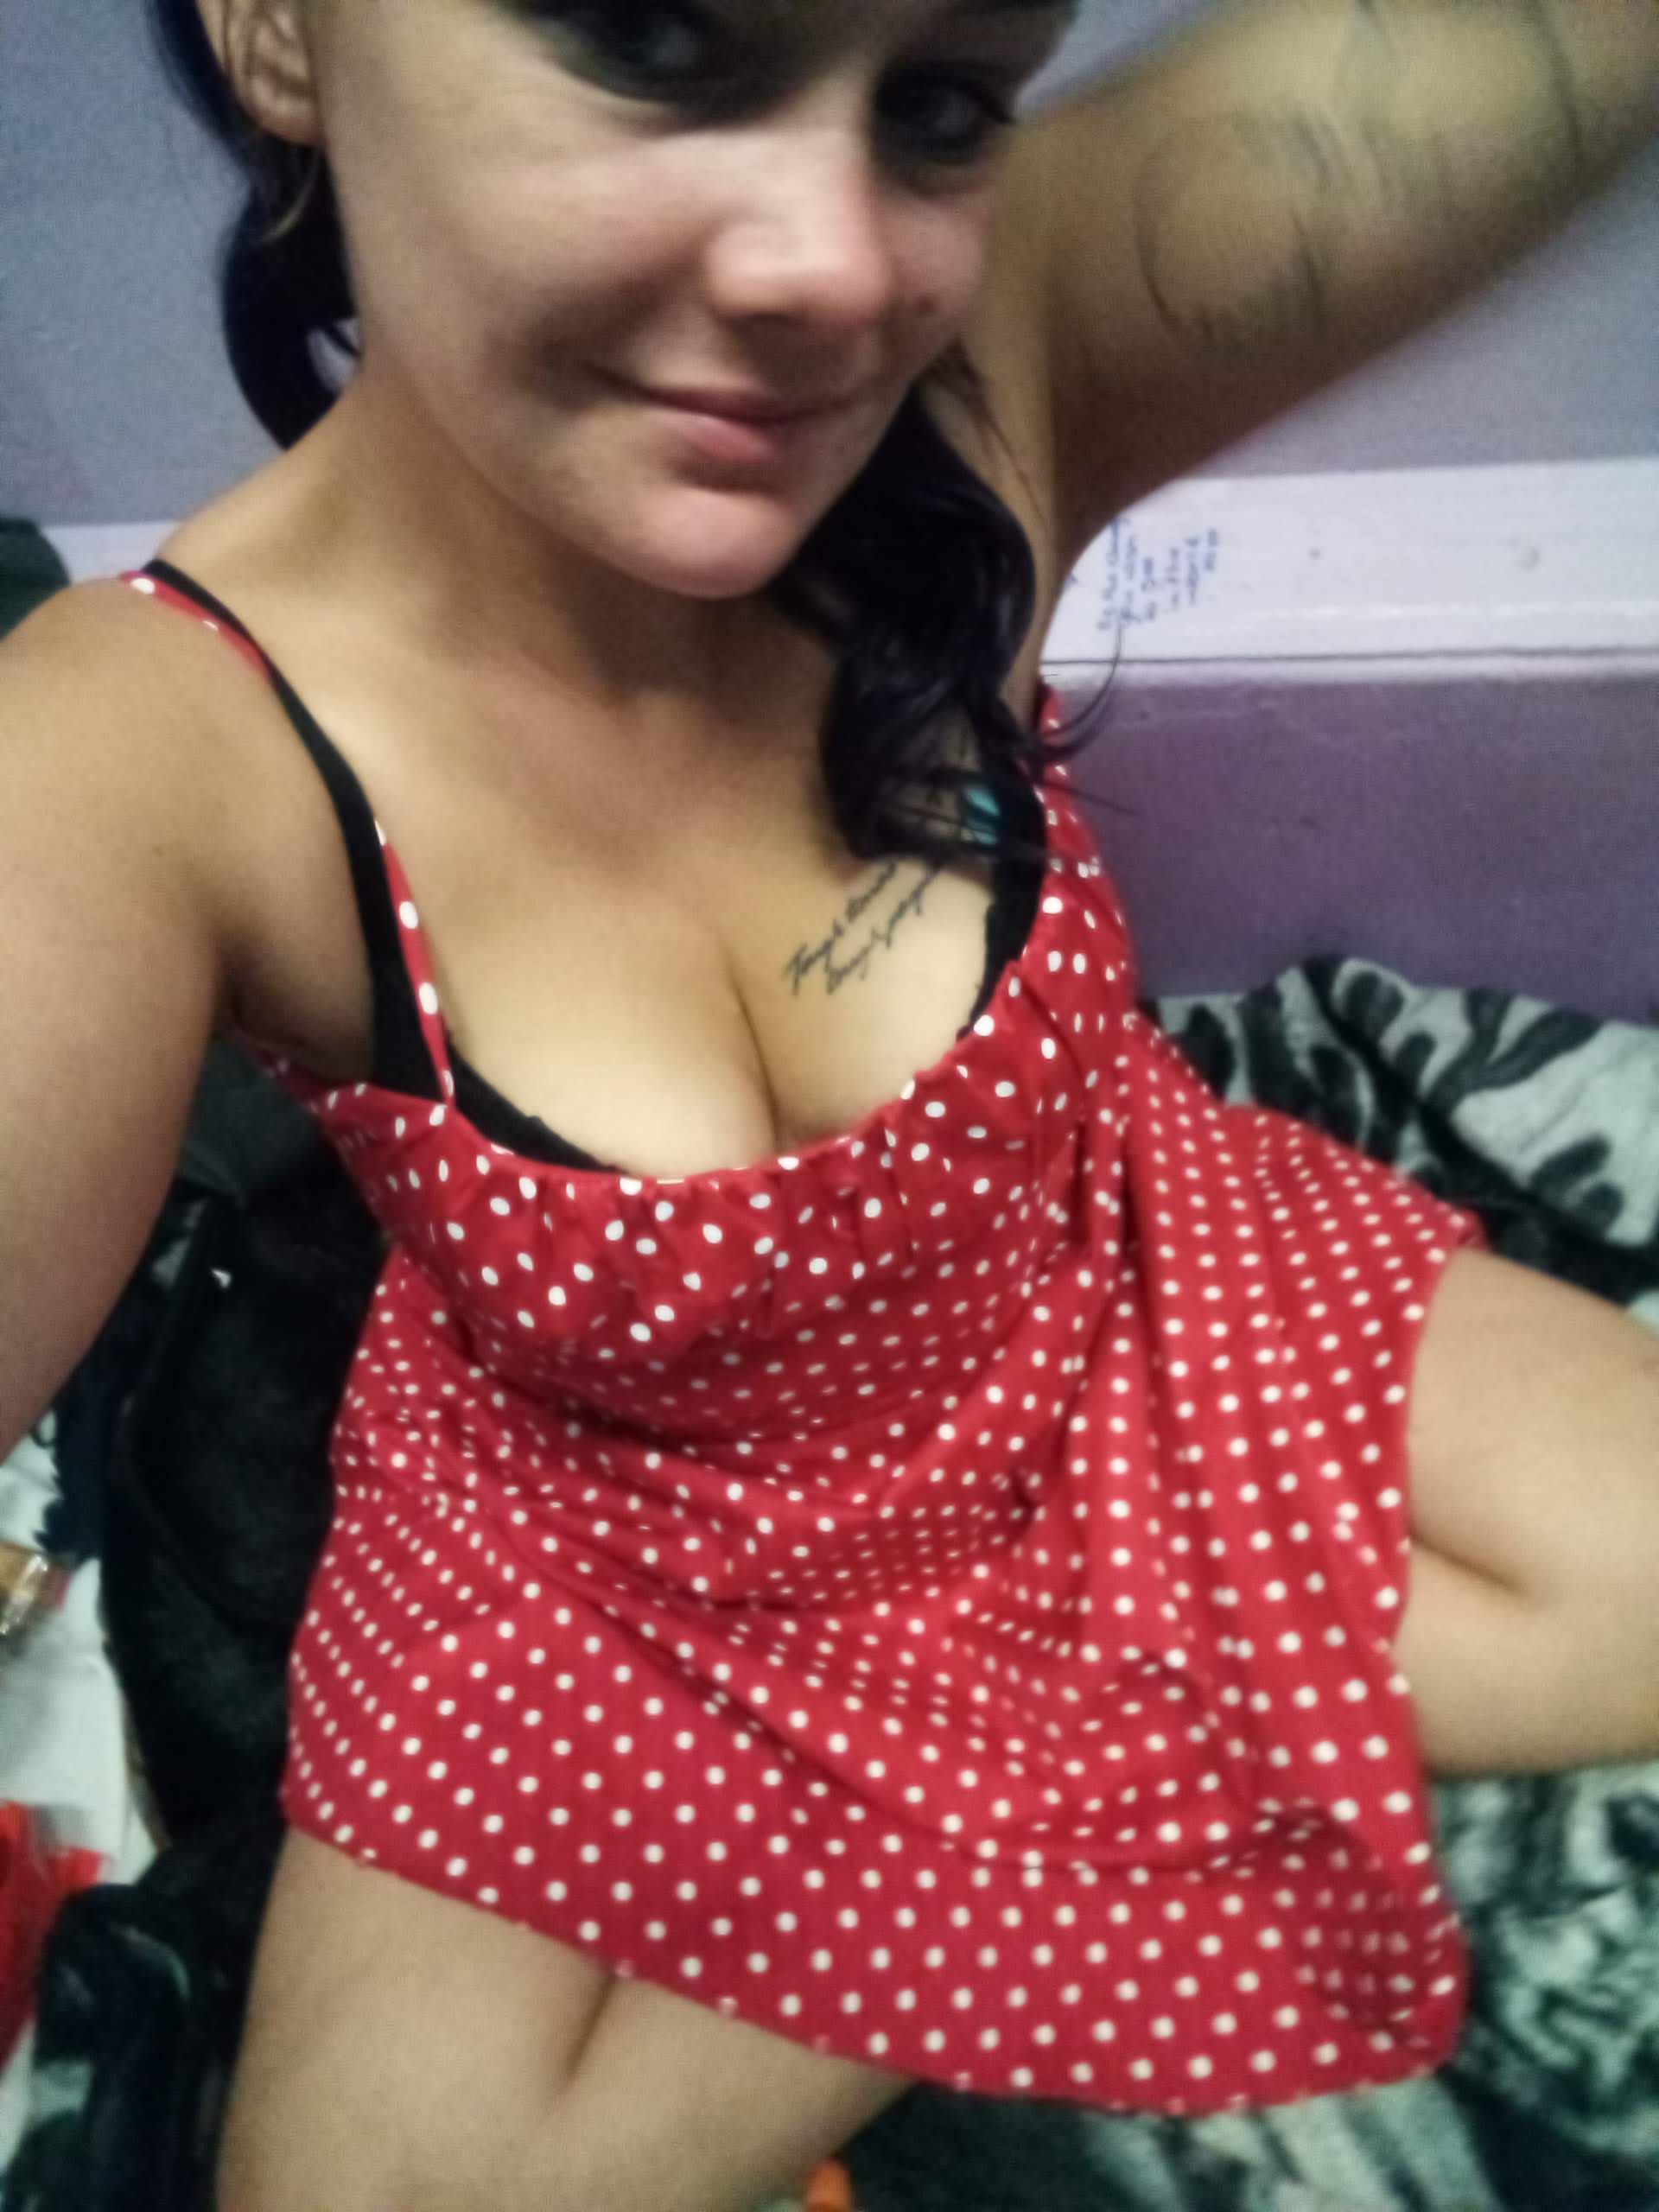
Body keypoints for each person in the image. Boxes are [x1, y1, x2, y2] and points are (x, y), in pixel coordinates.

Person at [3, 1, 1656, 2206]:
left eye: (941, 102)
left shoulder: (992, 355)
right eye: (653, 35)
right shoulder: (138, 748)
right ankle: (1101, 1779)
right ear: (279, 28)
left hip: (1101, 1297)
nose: (838, 265)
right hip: (625, 1526)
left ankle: (1025, 1781)